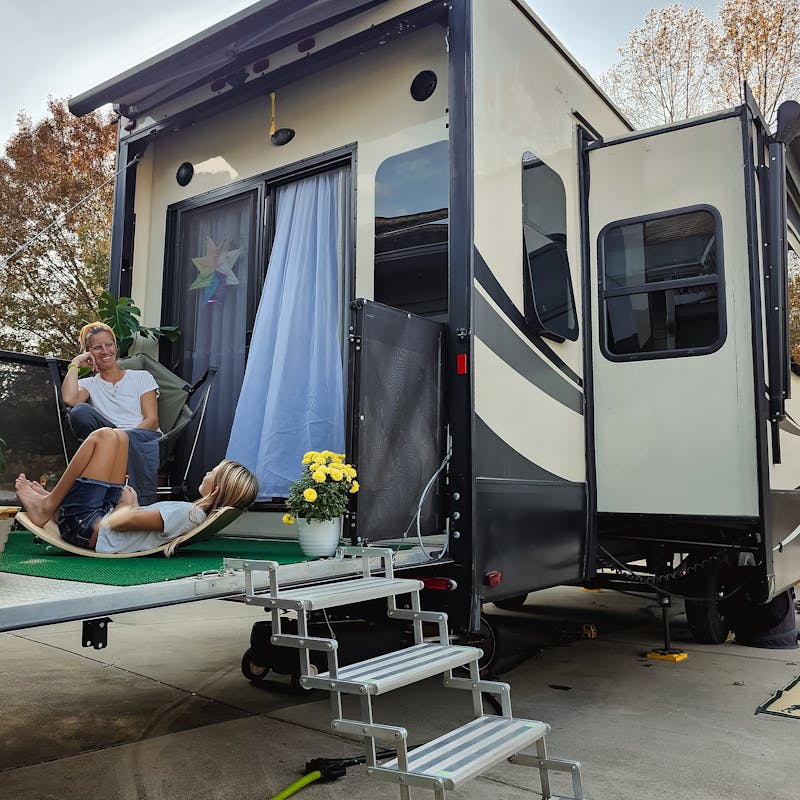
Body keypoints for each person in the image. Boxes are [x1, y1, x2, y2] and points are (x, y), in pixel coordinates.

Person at [15, 428, 258, 555]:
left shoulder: (187, 514)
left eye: (211, 472)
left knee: (102, 437)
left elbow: (122, 521)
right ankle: (56, 506)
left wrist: (129, 502)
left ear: (216, 488)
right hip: (95, 519)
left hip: (85, 527)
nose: (206, 472)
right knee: (120, 437)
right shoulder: (192, 516)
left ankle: (48, 505)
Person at [62, 321, 160, 505]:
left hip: (140, 436)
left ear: (115, 346)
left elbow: (152, 420)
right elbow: (70, 399)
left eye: (109, 344)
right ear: (89, 352)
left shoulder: (141, 377)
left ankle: (137, 506)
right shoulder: (89, 384)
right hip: (108, 438)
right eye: (97, 347)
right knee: (80, 411)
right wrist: (75, 363)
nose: (105, 351)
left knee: (127, 438)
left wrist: (123, 440)